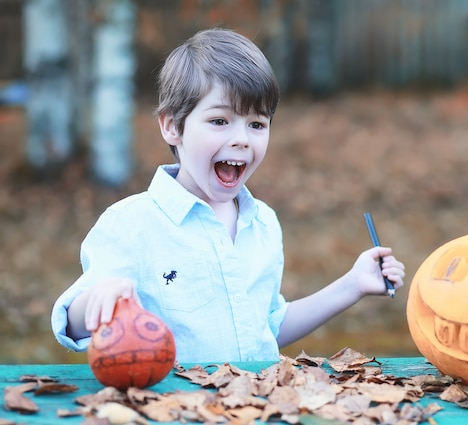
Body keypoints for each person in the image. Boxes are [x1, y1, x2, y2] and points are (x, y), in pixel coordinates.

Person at [51, 28, 405, 363]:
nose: (242, 139)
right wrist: (98, 301)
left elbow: (264, 329)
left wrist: (352, 285)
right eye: (220, 121)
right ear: (172, 126)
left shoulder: (263, 223)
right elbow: (72, 323)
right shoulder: (131, 225)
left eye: (256, 124)